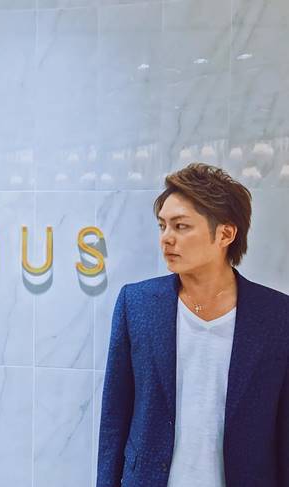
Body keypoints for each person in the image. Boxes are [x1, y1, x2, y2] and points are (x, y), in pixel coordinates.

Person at [96, 163, 289, 487]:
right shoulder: (137, 304)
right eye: (162, 226)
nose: (166, 239)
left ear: (225, 234)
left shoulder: (277, 316)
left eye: (181, 226)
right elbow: (115, 418)